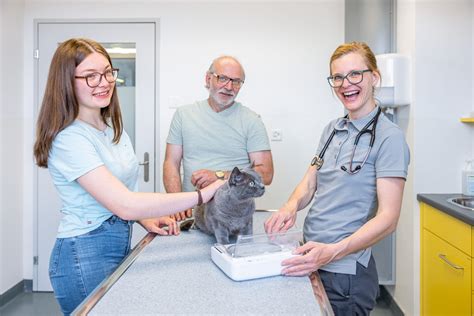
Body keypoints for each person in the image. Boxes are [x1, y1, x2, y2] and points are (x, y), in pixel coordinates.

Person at [33, 38, 224, 315]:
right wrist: (201, 195)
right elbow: (124, 202)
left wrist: (143, 217)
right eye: (90, 76)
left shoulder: (110, 128)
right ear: (66, 81)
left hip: (116, 240)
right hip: (82, 254)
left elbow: (117, 197)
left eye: (108, 72)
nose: (104, 82)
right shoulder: (70, 138)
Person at [264, 42, 410, 315]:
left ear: (374, 77)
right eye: (338, 77)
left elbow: (389, 219)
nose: (346, 84)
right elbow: (311, 181)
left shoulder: (389, 138)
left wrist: (332, 251)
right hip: (312, 257)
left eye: (355, 74)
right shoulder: (332, 129)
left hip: (346, 276)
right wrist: (290, 206)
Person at [163, 56, 274, 220]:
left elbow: (266, 174)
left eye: (236, 82)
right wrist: (176, 202)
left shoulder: (252, 121)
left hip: (233, 217)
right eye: (222, 78)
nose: (229, 87)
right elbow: (171, 163)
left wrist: (219, 176)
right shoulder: (183, 115)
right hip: (191, 213)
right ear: (208, 79)